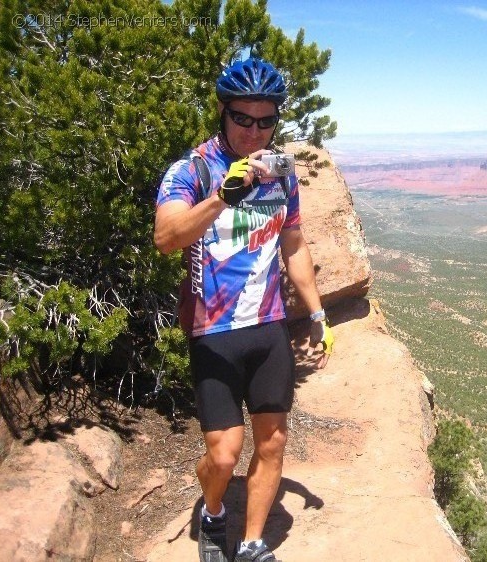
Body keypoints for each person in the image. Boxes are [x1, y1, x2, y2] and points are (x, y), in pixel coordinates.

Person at [154, 57, 334, 562]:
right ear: (222, 113)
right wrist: (221, 197)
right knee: (223, 453)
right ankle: (213, 511)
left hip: (269, 326)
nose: (254, 131)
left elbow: (294, 246)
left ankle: (252, 542)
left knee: (272, 443)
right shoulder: (191, 171)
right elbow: (166, 238)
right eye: (242, 118)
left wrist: (318, 314)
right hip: (213, 331)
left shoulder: (282, 175)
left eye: (266, 120)